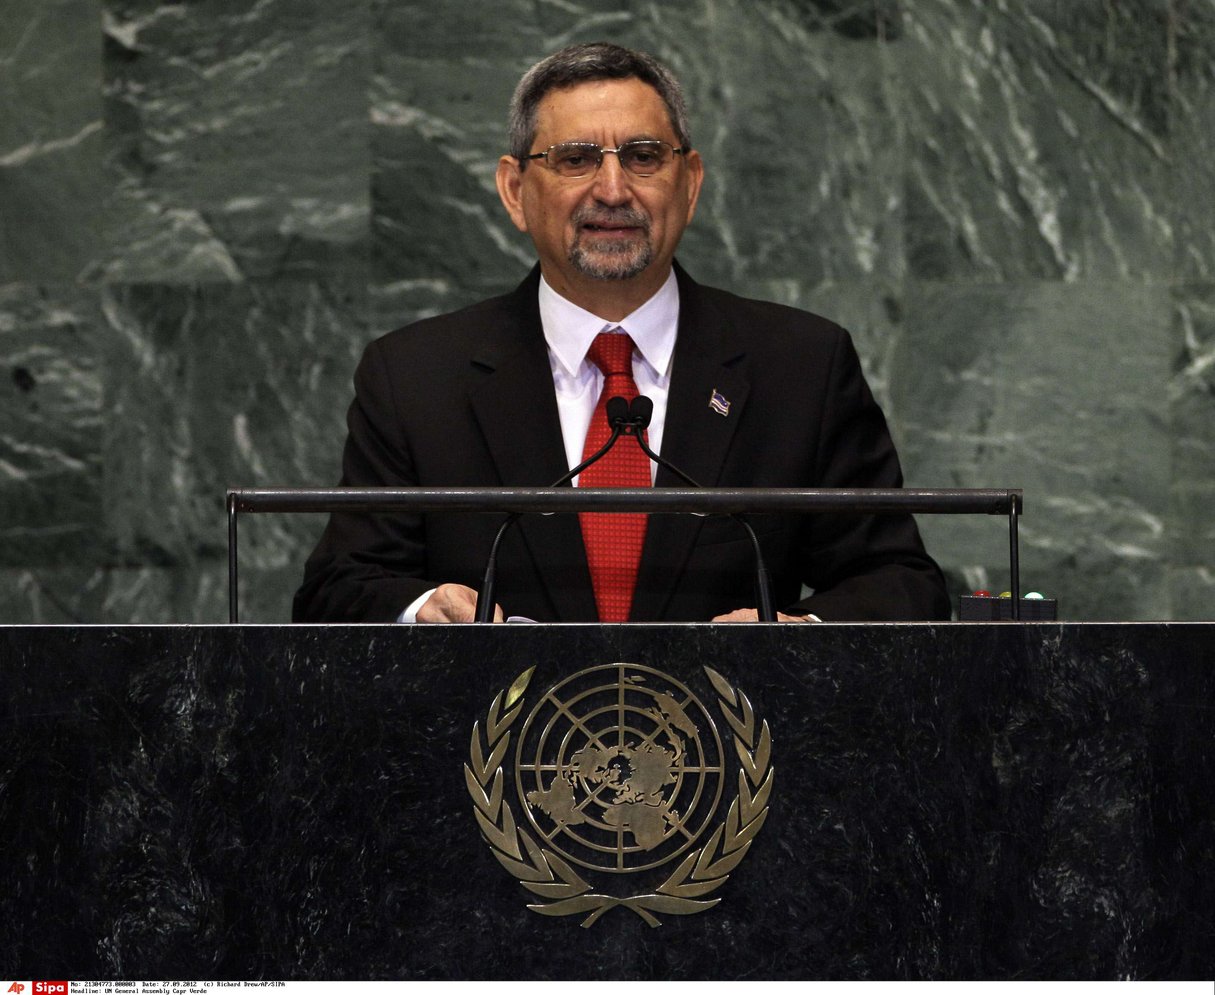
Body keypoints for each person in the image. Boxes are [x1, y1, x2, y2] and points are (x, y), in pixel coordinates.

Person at [293, 42, 949, 625]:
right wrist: (422, 609)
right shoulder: (415, 377)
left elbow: (898, 582)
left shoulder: (800, 365)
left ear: (688, 184)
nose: (612, 190)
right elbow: (339, 586)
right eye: (575, 159)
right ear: (515, 190)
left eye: (642, 157)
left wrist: (796, 637)